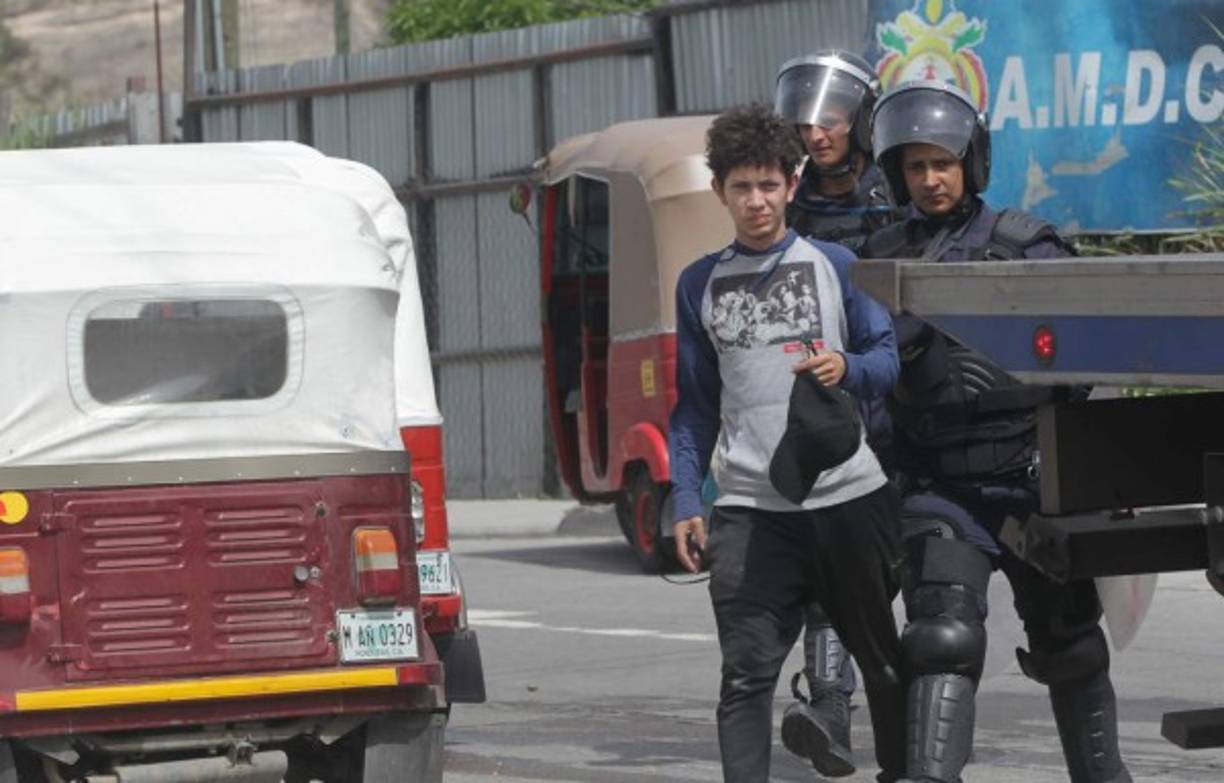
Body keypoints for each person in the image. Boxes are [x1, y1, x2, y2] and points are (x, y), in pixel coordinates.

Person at [861, 80, 1132, 783]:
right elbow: (860, 376)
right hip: (939, 487)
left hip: (1029, 482)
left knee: (1072, 645)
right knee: (940, 637)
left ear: (971, 161)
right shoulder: (882, 260)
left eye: (942, 162)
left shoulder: (1026, 247)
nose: (929, 178)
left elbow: (1089, 352)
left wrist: (1087, 465)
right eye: (915, 166)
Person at [668, 102, 905, 783]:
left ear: (791, 186)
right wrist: (687, 497)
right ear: (720, 191)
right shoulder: (699, 284)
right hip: (750, 509)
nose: (756, 200)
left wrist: (846, 368)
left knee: (884, 662)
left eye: (768, 184)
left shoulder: (835, 264)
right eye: (741, 186)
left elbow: (886, 361)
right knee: (744, 676)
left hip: (848, 498)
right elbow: (693, 407)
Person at [770, 50, 904, 778]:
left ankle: (909, 714)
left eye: (832, 115)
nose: (816, 131)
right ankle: (827, 704)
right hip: (826, 393)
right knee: (831, 564)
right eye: (805, 116)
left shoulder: (902, 187)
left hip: (902, 386)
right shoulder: (787, 197)